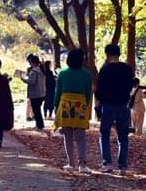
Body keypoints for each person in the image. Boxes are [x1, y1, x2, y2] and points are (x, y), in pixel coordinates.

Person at [95, 43, 134, 174]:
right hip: (123, 105)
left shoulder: (105, 69)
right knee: (123, 137)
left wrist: (99, 102)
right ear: (119, 54)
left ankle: (107, 163)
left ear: (107, 54)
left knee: (104, 134)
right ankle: (122, 165)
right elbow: (130, 85)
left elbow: (99, 90)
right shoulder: (127, 69)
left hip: (108, 105)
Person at [53, 48, 93, 172]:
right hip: (80, 105)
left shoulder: (63, 73)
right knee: (80, 136)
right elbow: (88, 94)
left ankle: (71, 163)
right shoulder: (87, 75)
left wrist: (56, 107)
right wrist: (86, 107)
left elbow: (58, 92)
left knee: (68, 135)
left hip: (65, 104)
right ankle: (82, 164)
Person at [18, 54, 47, 129]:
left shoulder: (34, 71)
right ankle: (40, 125)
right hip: (42, 93)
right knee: (38, 110)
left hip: (35, 94)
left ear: (32, 62)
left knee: (36, 111)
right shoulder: (42, 70)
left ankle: (39, 125)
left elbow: (32, 82)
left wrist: (23, 79)